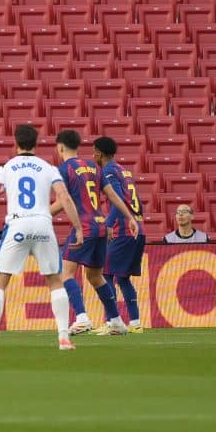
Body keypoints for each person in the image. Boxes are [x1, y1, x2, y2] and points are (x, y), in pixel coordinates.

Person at [0, 123, 84, 352]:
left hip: (17, 225)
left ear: (15, 144)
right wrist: (78, 228)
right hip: (43, 224)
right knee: (54, 280)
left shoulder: (6, 168)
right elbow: (64, 197)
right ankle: (64, 338)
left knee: (0, 280)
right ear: (36, 144)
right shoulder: (48, 168)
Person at [54, 129, 116, 336]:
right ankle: (116, 321)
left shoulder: (63, 168)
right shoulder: (93, 166)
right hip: (100, 224)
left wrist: (42, 215)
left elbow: (64, 201)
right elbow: (110, 195)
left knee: (66, 273)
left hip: (84, 225)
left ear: (60, 147)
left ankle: (81, 318)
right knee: (95, 276)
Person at [94, 136, 146, 332]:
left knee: (105, 273)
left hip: (122, 230)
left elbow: (118, 200)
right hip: (138, 228)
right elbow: (136, 200)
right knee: (123, 277)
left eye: (94, 152)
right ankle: (135, 323)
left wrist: (109, 224)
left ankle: (112, 322)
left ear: (98, 153)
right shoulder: (124, 170)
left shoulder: (107, 171)